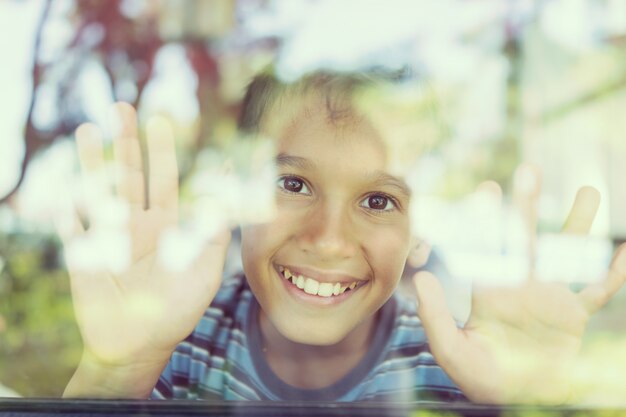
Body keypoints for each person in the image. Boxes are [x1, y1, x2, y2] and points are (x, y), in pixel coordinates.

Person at [59, 69, 626, 404]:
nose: (328, 239)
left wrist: (526, 405)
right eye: (293, 184)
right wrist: (116, 373)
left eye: (377, 201)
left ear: (418, 229)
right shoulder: (178, 344)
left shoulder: (452, 371)